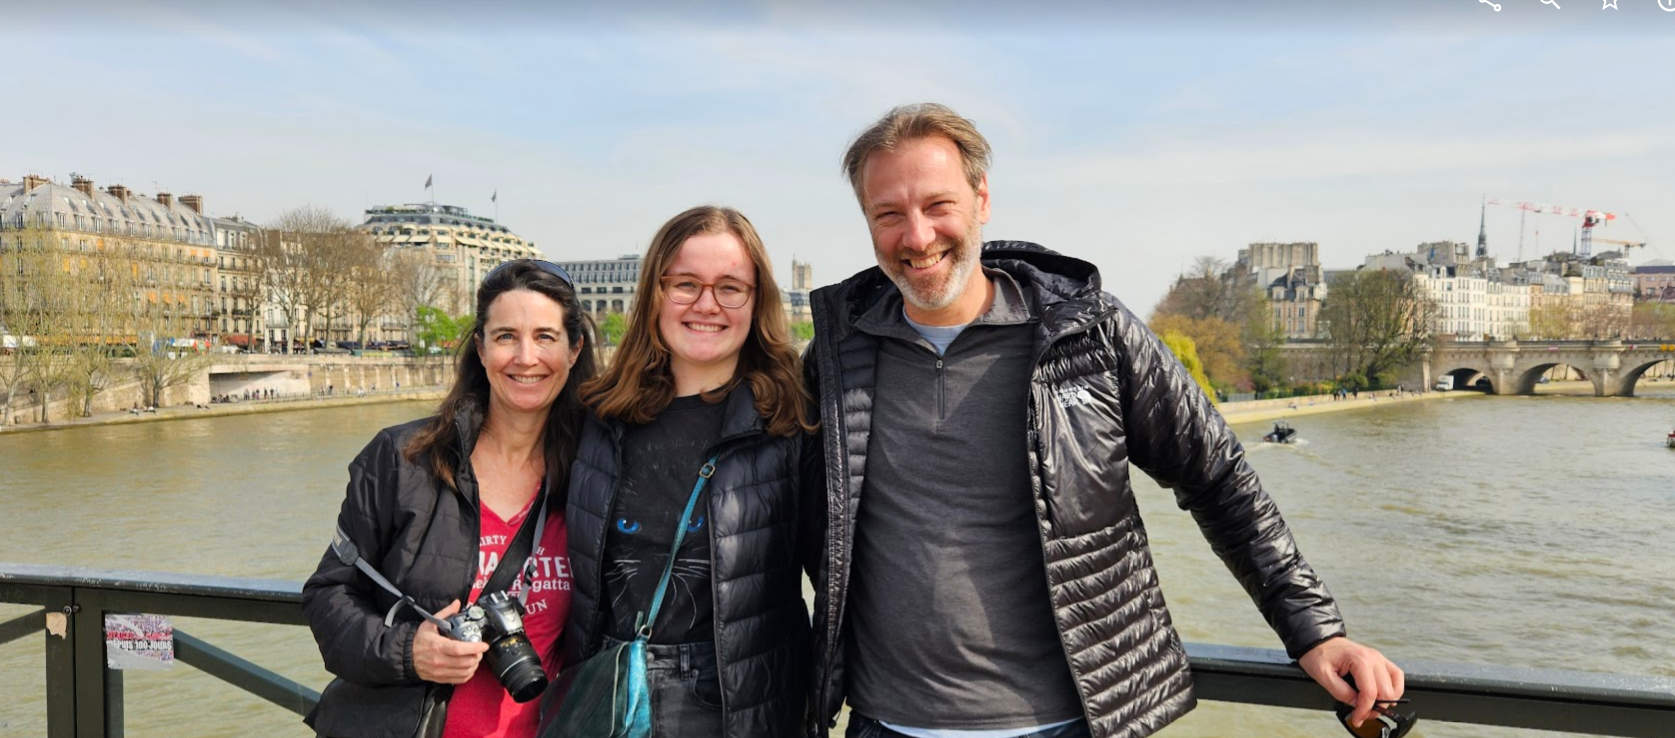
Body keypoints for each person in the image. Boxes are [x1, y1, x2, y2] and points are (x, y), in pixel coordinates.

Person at [803, 104, 1405, 738]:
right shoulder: (838, 354)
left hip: (1068, 722)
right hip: (886, 723)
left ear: (982, 199)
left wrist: (1315, 631)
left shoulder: (1089, 333)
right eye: (889, 214)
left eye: (937, 205)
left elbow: (1217, 477)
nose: (917, 237)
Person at [551, 206, 818, 737]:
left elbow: (841, 582)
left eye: (730, 288)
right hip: (605, 694)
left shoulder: (794, 424)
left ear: (756, 300)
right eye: (686, 284)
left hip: (739, 706)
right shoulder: (595, 417)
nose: (706, 304)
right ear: (654, 292)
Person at [303, 260, 597, 738]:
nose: (526, 357)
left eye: (545, 336)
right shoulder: (403, 460)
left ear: (574, 348)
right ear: (480, 348)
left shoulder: (594, 474)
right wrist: (407, 651)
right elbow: (327, 596)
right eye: (506, 336)